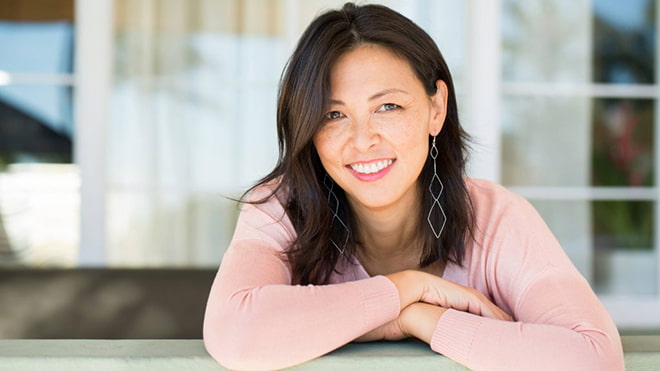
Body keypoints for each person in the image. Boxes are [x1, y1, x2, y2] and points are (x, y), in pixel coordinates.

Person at [203, 3, 624, 370]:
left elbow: (593, 357)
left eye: (388, 106)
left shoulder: (498, 217)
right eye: (333, 115)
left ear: (435, 109)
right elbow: (234, 333)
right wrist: (406, 291)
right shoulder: (280, 209)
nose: (362, 139)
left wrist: (425, 321)